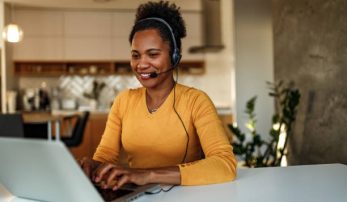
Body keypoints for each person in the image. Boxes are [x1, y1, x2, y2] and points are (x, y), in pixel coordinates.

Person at [80, 1, 237, 190]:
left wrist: (149, 175)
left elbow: (224, 164)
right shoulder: (123, 101)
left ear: (174, 56)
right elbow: (105, 156)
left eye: (152, 54)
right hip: (139, 195)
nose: (141, 64)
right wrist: (94, 166)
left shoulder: (196, 101)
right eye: (136, 55)